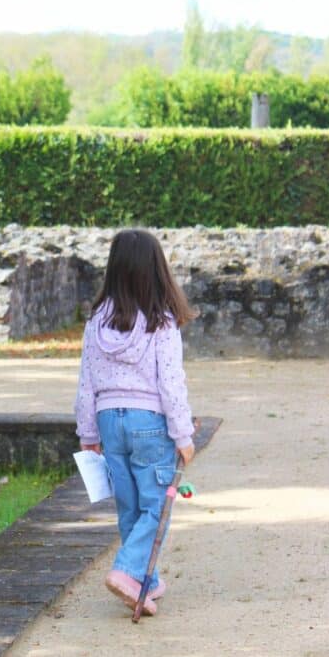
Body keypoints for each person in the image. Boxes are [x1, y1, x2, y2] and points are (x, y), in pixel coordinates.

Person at [75, 229, 196, 616]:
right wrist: (183, 433)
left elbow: (86, 382)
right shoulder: (161, 322)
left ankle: (146, 581)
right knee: (157, 505)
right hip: (149, 423)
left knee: (129, 507)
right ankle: (127, 571)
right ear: (155, 270)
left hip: (110, 421)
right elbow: (171, 382)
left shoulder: (96, 322)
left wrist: (88, 433)